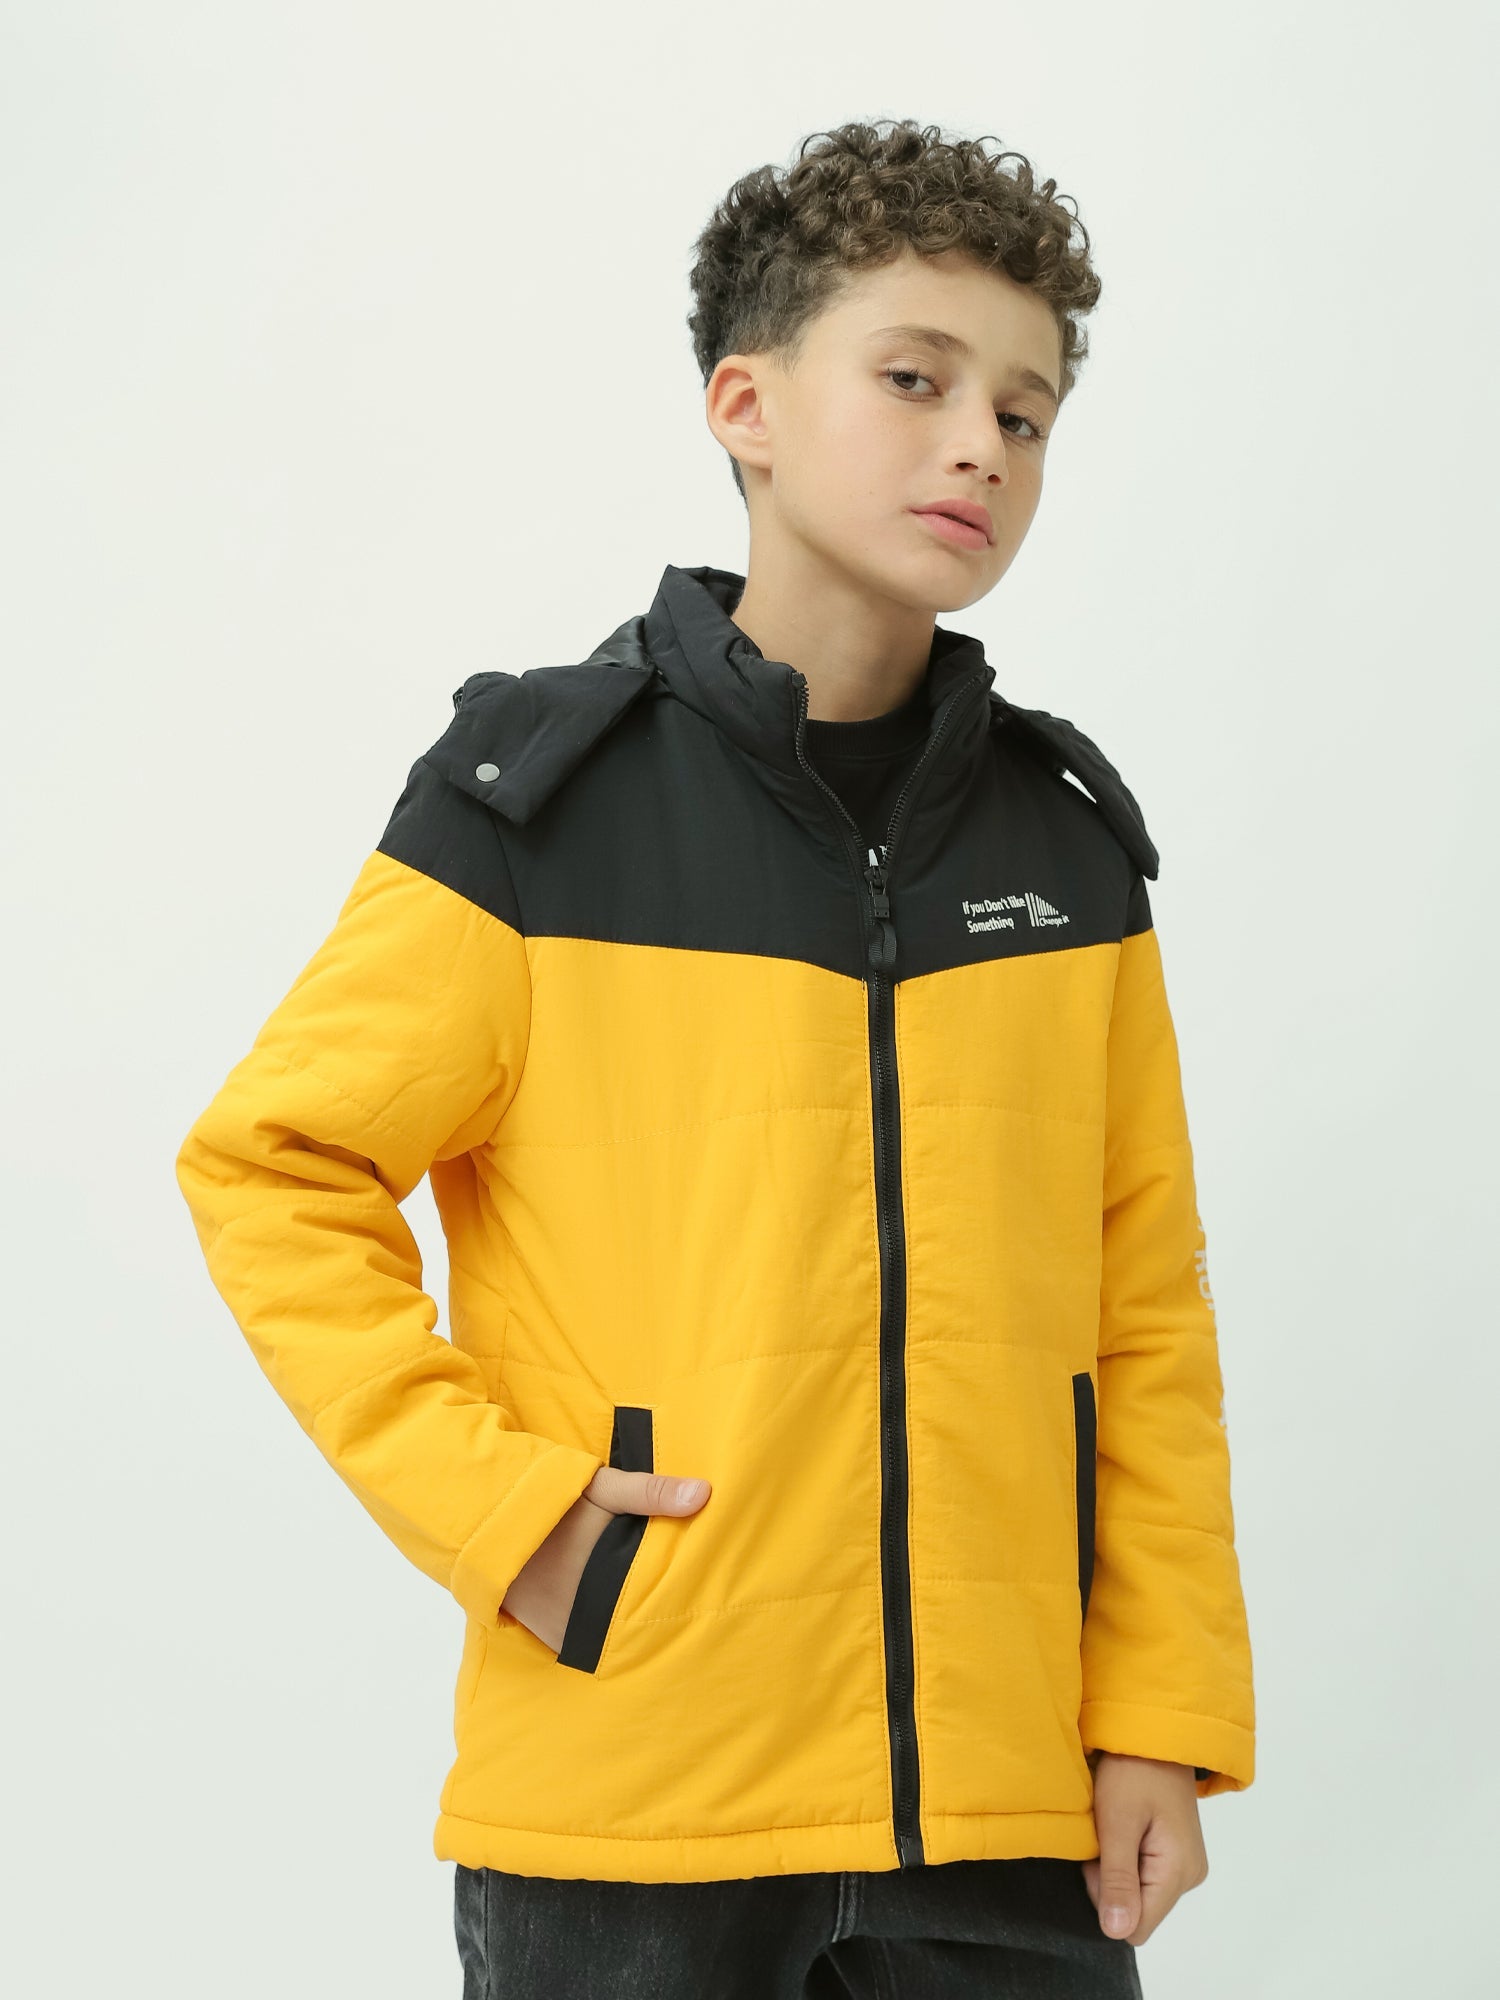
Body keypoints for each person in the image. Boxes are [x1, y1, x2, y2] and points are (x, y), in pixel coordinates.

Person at [174, 116, 1255, 1998]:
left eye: (1026, 412)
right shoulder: (531, 811)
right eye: (916, 379)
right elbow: (272, 1170)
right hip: (635, 1804)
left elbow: (1141, 1302)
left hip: (1004, 1820)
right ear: (744, 406)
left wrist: (1158, 1707)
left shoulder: (1064, 850)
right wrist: (509, 1519)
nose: (981, 446)